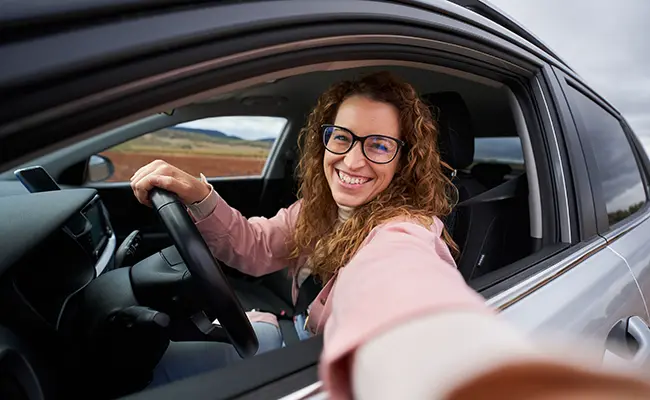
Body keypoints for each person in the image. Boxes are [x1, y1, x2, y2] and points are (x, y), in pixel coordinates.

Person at [130, 71, 486, 389]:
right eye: (341, 137)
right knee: (148, 365)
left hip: (315, 370)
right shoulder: (318, 209)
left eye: (378, 145)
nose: (352, 160)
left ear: (403, 160)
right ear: (325, 140)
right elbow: (255, 246)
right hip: (295, 334)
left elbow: (401, 277)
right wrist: (200, 196)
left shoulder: (405, 228)